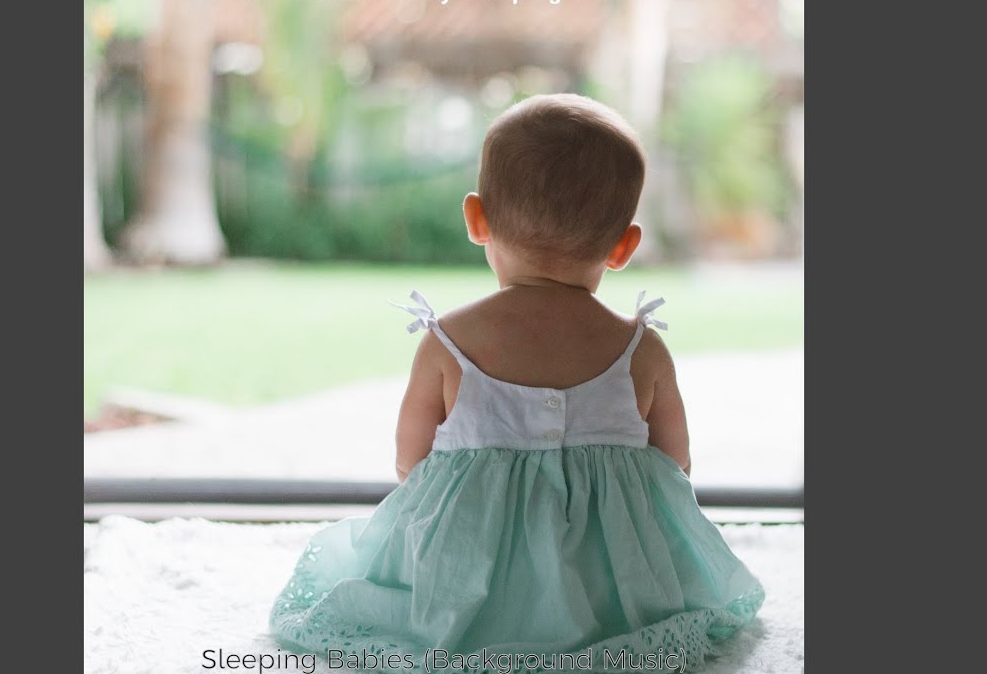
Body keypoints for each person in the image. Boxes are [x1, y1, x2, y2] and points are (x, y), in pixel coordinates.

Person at [269, 94, 763, 672]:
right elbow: (673, 469)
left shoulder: (449, 343)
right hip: (611, 590)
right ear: (624, 246)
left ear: (476, 219)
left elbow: (410, 462)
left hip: (466, 573)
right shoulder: (641, 349)